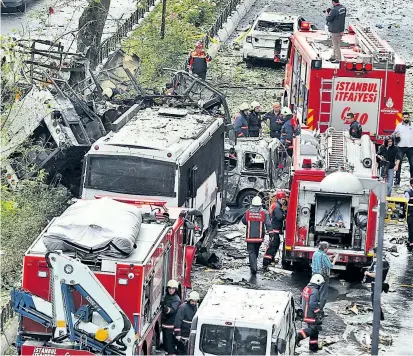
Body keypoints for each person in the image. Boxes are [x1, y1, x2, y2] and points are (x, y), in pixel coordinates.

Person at [241, 196, 272, 275]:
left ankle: (253, 268)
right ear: (260, 205)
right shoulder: (264, 213)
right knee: (256, 250)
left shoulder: (248, 212)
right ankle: (254, 265)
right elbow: (268, 224)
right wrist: (271, 234)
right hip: (259, 237)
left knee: (251, 252)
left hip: (249, 237)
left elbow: (244, 221)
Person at [296, 274, 325, 352]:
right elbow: (313, 304)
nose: (321, 286)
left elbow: (301, 298)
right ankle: (299, 336)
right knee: (313, 330)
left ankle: (313, 347)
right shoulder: (315, 291)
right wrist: (319, 312)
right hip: (310, 315)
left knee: (315, 331)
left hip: (305, 313)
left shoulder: (306, 288)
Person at [364, 247, 390, 321]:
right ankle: (380, 317)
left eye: (374, 253)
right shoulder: (385, 262)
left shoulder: (377, 263)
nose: (374, 254)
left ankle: (378, 317)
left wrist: (367, 273)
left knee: (374, 301)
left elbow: (376, 275)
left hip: (375, 284)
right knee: (377, 300)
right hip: (381, 283)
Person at [311, 241, 338, 312]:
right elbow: (330, 266)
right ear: (325, 249)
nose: (328, 249)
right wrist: (335, 259)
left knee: (315, 292)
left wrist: (330, 256)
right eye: (327, 248)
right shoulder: (324, 255)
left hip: (314, 276)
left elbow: (322, 258)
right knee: (323, 293)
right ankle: (320, 310)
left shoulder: (315, 253)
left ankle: (313, 308)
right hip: (323, 277)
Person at [263, 191, 287, 268]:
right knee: (273, 245)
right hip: (274, 229)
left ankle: (270, 260)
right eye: (283, 199)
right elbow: (279, 217)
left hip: (273, 228)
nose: (284, 201)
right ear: (280, 199)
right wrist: (285, 215)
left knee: (274, 245)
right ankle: (266, 262)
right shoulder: (277, 207)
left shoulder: (274, 205)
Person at [174, 291, 199, 355]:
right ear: (189, 300)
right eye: (192, 301)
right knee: (182, 352)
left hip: (189, 335)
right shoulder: (183, 308)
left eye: (195, 301)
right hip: (182, 336)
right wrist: (178, 334)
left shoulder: (196, 308)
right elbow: (178, 321)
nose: (194, 303)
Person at [161, 280, 181, 355]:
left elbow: (172, 310)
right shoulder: (167, 296)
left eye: (173, 289)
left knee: (170, 345)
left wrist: (164, 307)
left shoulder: (176, 299)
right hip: (164, 325)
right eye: (169, 288)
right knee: (166, 344)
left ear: (175, 289)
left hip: (170, 325)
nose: (171, 290)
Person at [393, 112, 413, 186]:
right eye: (404, 117)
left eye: (407, 117)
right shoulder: (399, 126)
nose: (406, 119)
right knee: (399, 163)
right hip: (401, 147)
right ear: (402, 118)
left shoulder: (412, 125)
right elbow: (393, 134)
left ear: (409, 117)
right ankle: (397, 179)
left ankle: (412, 179)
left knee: (412, 164)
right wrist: (396, 135)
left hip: (411, 147)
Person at [404, 178, 413, 252]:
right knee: (411, 228)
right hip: (410, 213)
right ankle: (411, 242)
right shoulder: (408, 193)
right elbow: (405, 202)